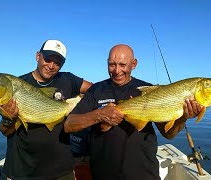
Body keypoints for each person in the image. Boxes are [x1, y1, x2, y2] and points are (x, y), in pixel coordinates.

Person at [64, 44, 203, 180]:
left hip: (144, 173)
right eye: (112, 64)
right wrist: (98, 115)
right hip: (103, 174)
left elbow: (168, 134)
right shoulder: (96, 90)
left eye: (122, 65)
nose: (117, 71)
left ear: (134, 64)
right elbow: (69, 124)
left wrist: (184, 116)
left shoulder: (148, 90)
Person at [0, 39, 92, 179]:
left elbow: (95, 91)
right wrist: (7, 119)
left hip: (61, 170)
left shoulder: (68, 79)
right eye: (48, 59)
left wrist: (79, 105)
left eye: (57, 62)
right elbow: (6, 132)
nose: (51, 66)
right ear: (38, 56)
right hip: (24, 170)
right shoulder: (17, 86)